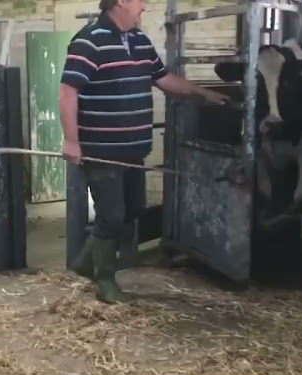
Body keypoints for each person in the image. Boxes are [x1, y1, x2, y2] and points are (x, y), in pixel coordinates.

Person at [59, 0, 230, 303]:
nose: (145, 7)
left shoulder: (139, 40)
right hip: (102, 149)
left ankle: (86, 263)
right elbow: (68, 91)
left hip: (133, 150)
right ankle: (105, 279)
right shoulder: (88, 40)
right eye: (140, 1)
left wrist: (202, 94)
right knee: (111, 216)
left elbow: (164, 79)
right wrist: (71, 140)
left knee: (132, 211)